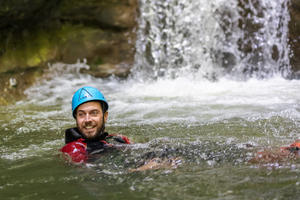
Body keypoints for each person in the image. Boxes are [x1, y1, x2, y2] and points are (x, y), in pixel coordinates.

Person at [60, 86, 131, 163]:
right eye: (81, 114)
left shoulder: (118, 139)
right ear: (76, 119)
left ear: (105, 116)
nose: (87, 120)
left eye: (94, 113)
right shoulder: (73, 149)